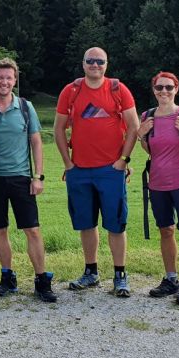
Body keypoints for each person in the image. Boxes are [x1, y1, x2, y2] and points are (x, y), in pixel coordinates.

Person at [53, 47, 139, 297]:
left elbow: (134, 127)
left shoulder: (118, 89)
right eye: (90, 61)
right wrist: (68, 163)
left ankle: (120, 275)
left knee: (116, 224)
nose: (95, 65)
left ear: (106, 64)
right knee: (86, 224)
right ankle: (91, 272)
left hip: (110, 170)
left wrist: (123, 161)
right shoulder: (71, 91)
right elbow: (58, 129)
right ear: (83, 64)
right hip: (79, 170)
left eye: (100, 61)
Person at [0, 58, 57, 302]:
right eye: (0, 77)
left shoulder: (25, 107)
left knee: (32, 230)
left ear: (15, 80)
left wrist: (38, 176)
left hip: (22, 178)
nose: (4, 82)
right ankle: (7, 277)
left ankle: (41, 279)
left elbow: (36, 142)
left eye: (9, 78)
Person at [137, 72, 179, 305]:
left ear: (176, 89)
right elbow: (152, 152)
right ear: (153, 89)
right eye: (159, 88)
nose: (163, 92)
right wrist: (141, 136)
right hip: (157, 184)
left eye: (169, 87)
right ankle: (171, 280)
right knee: (166, 230)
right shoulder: (147, 116)